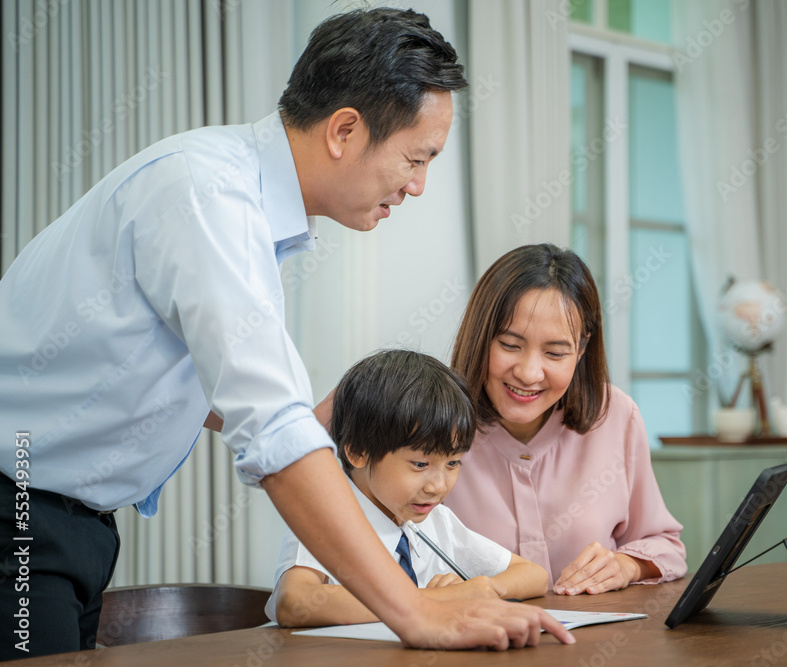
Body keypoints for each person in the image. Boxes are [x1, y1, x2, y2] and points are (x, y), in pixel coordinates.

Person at [0, 9, 571, 660]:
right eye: (416, 159)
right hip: (20, 506)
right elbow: (270, 431)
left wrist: (311, 416)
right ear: (346, 130)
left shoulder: (238, 202)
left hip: (66, 519)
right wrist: (416, 610)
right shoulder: (208, 197)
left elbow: (185, 376)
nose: (417, 186)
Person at [445, 244, 687, 595]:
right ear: (481, 337)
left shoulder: (615, 416)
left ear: (582, 349)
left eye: (555, 353)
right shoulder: (432, 425)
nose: (529, 374)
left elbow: (665, 544)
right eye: (510, 346)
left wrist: (625, 565)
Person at [266, 350, 548, 627]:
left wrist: (482, 589)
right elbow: (294, 602)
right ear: (358, 451)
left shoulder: (436, 523)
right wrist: (430, 600)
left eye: (453, 463)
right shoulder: (324, 515)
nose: (438, 486)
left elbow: (534, 575)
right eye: (420, 464)